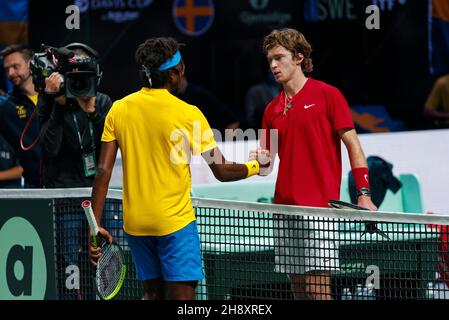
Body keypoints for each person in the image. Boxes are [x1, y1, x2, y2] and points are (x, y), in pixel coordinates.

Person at [89, 37, 270, 300]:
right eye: (181, 67)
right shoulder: (188, 113)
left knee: (152, 294)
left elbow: (102, 173)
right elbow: (221, 171)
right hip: (173, 223)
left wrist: (94, 228)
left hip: (137, 224)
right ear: (175, 74)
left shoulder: (119, 109)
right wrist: (257, 166)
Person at [250, 28, 377, 300]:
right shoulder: (271, 109)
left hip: (319, 210)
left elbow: (353, 144)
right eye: (270, 60)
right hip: (283, 209)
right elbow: (266, 165)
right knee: (298, 292)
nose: (273, 65)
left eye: (279, 58)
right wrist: (258, 162)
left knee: (317, 291)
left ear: (298, 57)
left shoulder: (328, 95)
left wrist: (363, 194)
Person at [36, 42, 112, 299]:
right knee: (70, 262)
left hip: (99, 197)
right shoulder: (50, 101)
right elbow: (49, 149)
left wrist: (91, 113)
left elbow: (111, 146)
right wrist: (56, 103)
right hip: (66, 197)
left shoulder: (102, 101)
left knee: (101, 256)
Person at [0, 44, 41, 188]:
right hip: (34, 185)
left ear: (31, 63)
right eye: (6, 69)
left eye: (15, 66)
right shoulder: (5, 106)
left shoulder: (54, 96)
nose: (10, 73)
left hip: (68, 182)